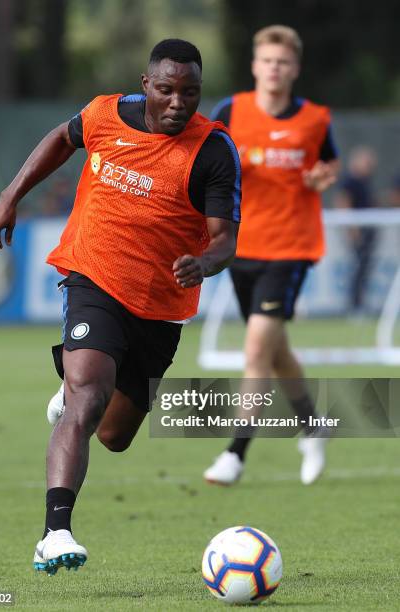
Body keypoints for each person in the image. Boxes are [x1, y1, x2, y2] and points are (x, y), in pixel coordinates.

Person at [0, 39, 241, 575]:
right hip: (93, 277)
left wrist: (205, 263)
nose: (177, 103)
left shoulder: (214, 151)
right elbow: (60, 138)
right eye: (166, 90)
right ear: (147, 85)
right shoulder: (104, 114)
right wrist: (10, 197)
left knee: (115, 435)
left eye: (189, 93)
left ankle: (76, 390)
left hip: (161, 307)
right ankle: (55, 533)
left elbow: (225, 240)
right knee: (87, 398)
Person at [203, 25, 339, 487]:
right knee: (275, 353)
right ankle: (313, 425)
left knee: (257, 347)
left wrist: (323, 177)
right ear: (255, 66)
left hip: (292, 247)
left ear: (294, 68)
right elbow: (206, 158)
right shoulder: (231, 112)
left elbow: (328, 163)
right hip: (240, 248)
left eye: (283, 62)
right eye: (267, 60)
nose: (274, 68)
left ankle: (235, 454)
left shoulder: (315, 119)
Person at [333, 145, 378, 314]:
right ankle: (354, 305)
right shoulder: (350, 181)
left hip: (367, 233)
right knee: (357, 269)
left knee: (364, 268)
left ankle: (359, 303)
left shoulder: (366, 182)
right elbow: (343, 202)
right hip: (359, 233)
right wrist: (352, 230)